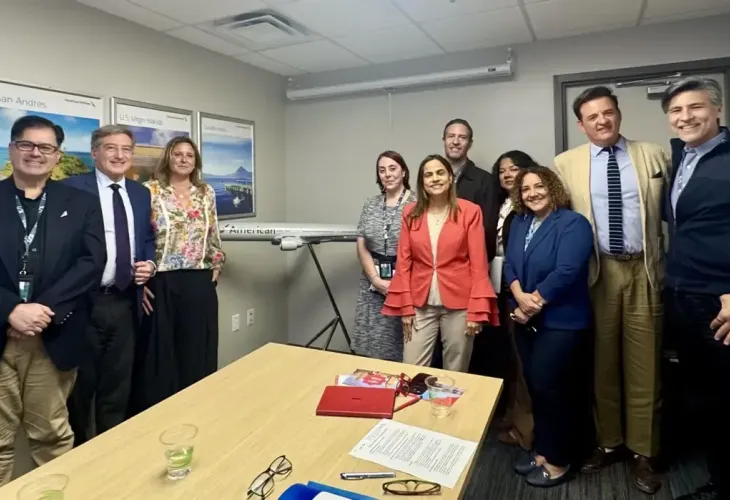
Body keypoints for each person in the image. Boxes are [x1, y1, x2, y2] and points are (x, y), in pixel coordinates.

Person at [553, 86, 668, 494]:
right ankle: (609, 442)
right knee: (602, 365)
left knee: (645, 365)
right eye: (592, 117)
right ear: (580, 124)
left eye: (608, 113)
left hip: (644, 270)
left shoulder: (654, 155)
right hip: (597, 273)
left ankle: (643, 451)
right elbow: (557, 220)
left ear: (618, 114)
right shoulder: (565, 164)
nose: (602, 121)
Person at [0, 115, 105, 484]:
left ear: (57, 156)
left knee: (52, 436)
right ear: (12, 149)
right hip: (1, 333)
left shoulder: (81, 203)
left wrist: (40, 312)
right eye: (26, 144)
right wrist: (11, 310)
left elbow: (91, 263)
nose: (35, 153)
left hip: (53, 336)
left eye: (45, 147)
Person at [64, 125, 156, 445]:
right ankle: (79, 453)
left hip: (125, 301)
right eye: (111, 148)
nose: (119, 155)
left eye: (126, 149)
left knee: (117, 386)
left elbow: (146, 238)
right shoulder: (70, 189)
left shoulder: (141, 193)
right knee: (79, 389)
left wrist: (149, 264)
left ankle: (112, 450)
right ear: (94, 153)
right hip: (83, 303)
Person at [660, 77, 729, 500]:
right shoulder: (681, 156)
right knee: (702, 392)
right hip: (682, 293)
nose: (685, 117)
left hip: (721, 300)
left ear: (717, 109)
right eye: (676, 111)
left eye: (695, 107)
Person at [505, 166, 593, 487]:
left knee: (552, 387)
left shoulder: (573, 223)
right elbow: (510, 264)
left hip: (562, 321)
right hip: (525, 318)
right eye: (526, 189)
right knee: (537, 387)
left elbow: (567, 271)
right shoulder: (520, 222)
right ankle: (543, 450)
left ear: (552, 187)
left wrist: (533, 303)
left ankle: (559, 460)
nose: (532, 193)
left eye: (539, 186)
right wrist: (518, 295)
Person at [382, 154, 499, 372]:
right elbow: (404, 263)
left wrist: (477, 308)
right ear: (422, 182)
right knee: (411, 369)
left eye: (440, 173)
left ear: (450, 177)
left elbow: (479, 265)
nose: (434, 178)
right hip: (420, 303)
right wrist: (405, 307)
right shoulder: (410, 213)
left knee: (456, 370)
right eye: (428, 175)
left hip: (460, 305)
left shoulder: (470, 211)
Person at [133, 137, 225, 411]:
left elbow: (213, 231)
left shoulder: (205, 192)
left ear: (195, 161)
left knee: (197, 348)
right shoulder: (150, 190)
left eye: (189, 155)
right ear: (168, 158)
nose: (184, 159)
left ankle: (196, 408)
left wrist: (217, 262)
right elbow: (138, 235)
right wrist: (139, 281)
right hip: (161, 279)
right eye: (178, 154)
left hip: (198, 278)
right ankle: (161, 414)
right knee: (160, 353)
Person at [432, 118, 500, 370]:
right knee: (433, 351)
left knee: (461, 349)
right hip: (432, 278)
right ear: (444, 140)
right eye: (451, 136)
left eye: (462, 137)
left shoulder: (484, 180)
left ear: (470, 143)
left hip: (465, 278)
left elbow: (487, 234)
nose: (456, 141)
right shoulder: (432, 177)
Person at [487, 151, 539, 451]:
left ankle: (526, 429)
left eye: (514, 169)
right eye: (502, 170)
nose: (507, 174)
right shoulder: (500, 203)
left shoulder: (529, 205)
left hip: (522, 289)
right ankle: (511, 418)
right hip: (498, 287)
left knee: (523, 360)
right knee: (506, 356)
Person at [352, 151, 415, 361]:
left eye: (392, 168)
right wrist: (375, 280)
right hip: (372, 284)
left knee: (402, 347)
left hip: (406, 284)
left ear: (403, 172)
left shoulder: (417, 204)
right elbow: (362, 245)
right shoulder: (370, 204)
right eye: (382, 170)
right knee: (371, 346)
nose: (387, 174)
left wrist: (397, 284)